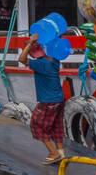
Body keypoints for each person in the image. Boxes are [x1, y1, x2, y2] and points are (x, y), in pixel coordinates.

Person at [18, 32, 65, 164]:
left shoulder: (41, 64)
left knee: (36, 125)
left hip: (48, 101)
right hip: (59, 99)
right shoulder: (54, 60)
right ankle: (61, 152)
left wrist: (31, 43)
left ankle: (53, 153)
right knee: (56, 125)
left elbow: (21, 59)